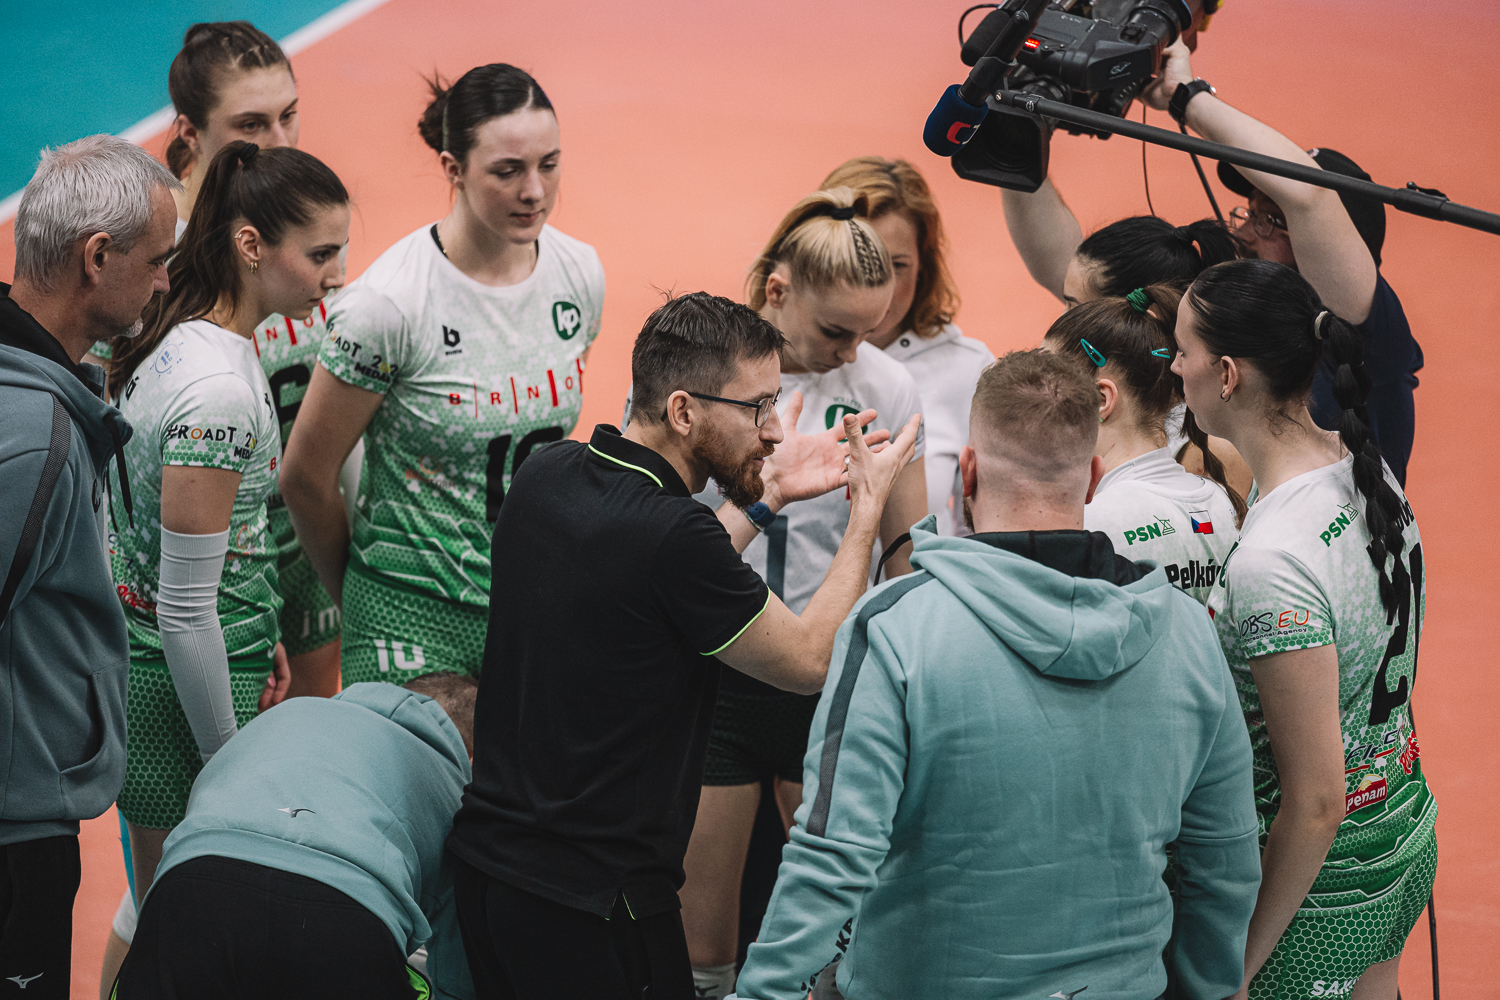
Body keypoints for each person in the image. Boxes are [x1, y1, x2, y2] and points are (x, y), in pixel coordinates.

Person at [728, 349, 1259, 1000]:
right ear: (1093, 479)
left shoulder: (893, 628)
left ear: (968, 472)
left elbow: (832, 859)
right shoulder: (1189, 633)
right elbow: (1225, 863)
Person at [446, 292, 921, 1000]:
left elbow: (664, 580)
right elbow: (809, 661)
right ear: (683, 411)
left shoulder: (548, 473)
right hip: (598, 908)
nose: (772, 431)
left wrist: (768, 496)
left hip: (489, 882)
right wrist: (867, 513)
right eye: (757, 407)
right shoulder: (674, 536)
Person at [674, 189, 927, 999]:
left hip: (831, 684)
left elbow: (906, 551)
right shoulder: (701, 375)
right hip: (719, 676)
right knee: (702, 951)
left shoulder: (887, 385)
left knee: (831, 934)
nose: (854, 352)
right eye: (836, 331)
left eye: (868, 332)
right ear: (777, 290)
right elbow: (659, 527)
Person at [280, 63, 604, 689]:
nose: (535, 190)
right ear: (453, 169)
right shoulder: (388, 305)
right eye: (507, 171)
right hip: (408, 615)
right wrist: (366, 604)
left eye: (549, 164)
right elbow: (305, 477)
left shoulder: (578, 274)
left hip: (530, 604)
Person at [1173, 260, 1437, 1000]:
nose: (1174, 367)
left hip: (1320, 889)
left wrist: (1236, 970)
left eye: (1183, 351)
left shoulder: (1274, 560)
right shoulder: (1366, 469)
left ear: (1227, 375)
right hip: (1401, 827)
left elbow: (1317, 801)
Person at [103, 141, 349, 911]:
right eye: (321, 254)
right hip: (182, 692)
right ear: (251, 245)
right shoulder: (219, 393)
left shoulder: (179, 333)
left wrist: (256, 621)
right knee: (181, 925)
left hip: (179, 671)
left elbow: (196, 552)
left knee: (167, 916)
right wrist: (227, 762)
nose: (337, 274)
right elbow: (183, 612)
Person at [0, 134, 178, 1000]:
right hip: (14, 832)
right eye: (157, 261)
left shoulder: (41, 394)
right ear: (96, 258)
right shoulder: (38, 439)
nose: (165, 283)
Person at [1142, 41, 1422, 486]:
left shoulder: (1367, 342)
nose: (1243, 233)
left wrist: (1183, 95)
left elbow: (1309, 196)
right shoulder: (1245, 327)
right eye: (1249, 213)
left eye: (1269, 220)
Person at [112, 675, 478, 1000]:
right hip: (342, 916)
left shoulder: (283, 717)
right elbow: (459, 970)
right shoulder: (450, 784)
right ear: (473, 754)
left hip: (191, 887)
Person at [817, 157, 990, 537]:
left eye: (897, 265)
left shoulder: (969, 369)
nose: (879, 287)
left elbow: (980, 530)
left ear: (924, 265)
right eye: (861, 261)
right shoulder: (774, 359)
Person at [1042, 284, 1241, 604]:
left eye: (1044, 386)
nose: (1033, 403)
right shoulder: (1221, 501)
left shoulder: (1086, 525)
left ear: (1101, 400)